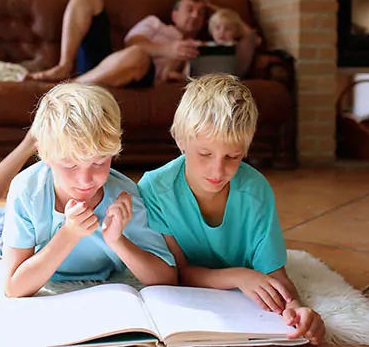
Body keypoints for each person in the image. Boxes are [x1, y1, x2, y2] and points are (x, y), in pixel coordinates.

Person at [137, 74, 326, 344]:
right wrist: (239, 276)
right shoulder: (154, 189)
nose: (218, 171)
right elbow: (177, 273)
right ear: (180, 139)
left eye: (232, 157)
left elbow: (274, 275)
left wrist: (295, 307)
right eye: (204, 154)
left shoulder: (255, 191)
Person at [0, 83, 177, 297]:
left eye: (99, 162)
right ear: (45, 156)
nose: (85, 179)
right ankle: (27, 145)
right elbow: (14, 288)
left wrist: (118, 241)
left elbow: (167, 278)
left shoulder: (124, 195)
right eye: (70, 165)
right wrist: (69, 234)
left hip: (41, 217)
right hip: (13, 229)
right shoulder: (27, 191)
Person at [29, 0, 207, 87]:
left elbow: (230, 22)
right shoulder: (155, 23)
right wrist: (168, 49)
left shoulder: (200, 46)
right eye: (189, 9)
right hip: (112, 62)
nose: (195, 16)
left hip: (141, 76)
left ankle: (73, 88)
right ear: (174, 14)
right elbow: (132, 43)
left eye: (201, 13)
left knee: (139, 56)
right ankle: (64, 65)